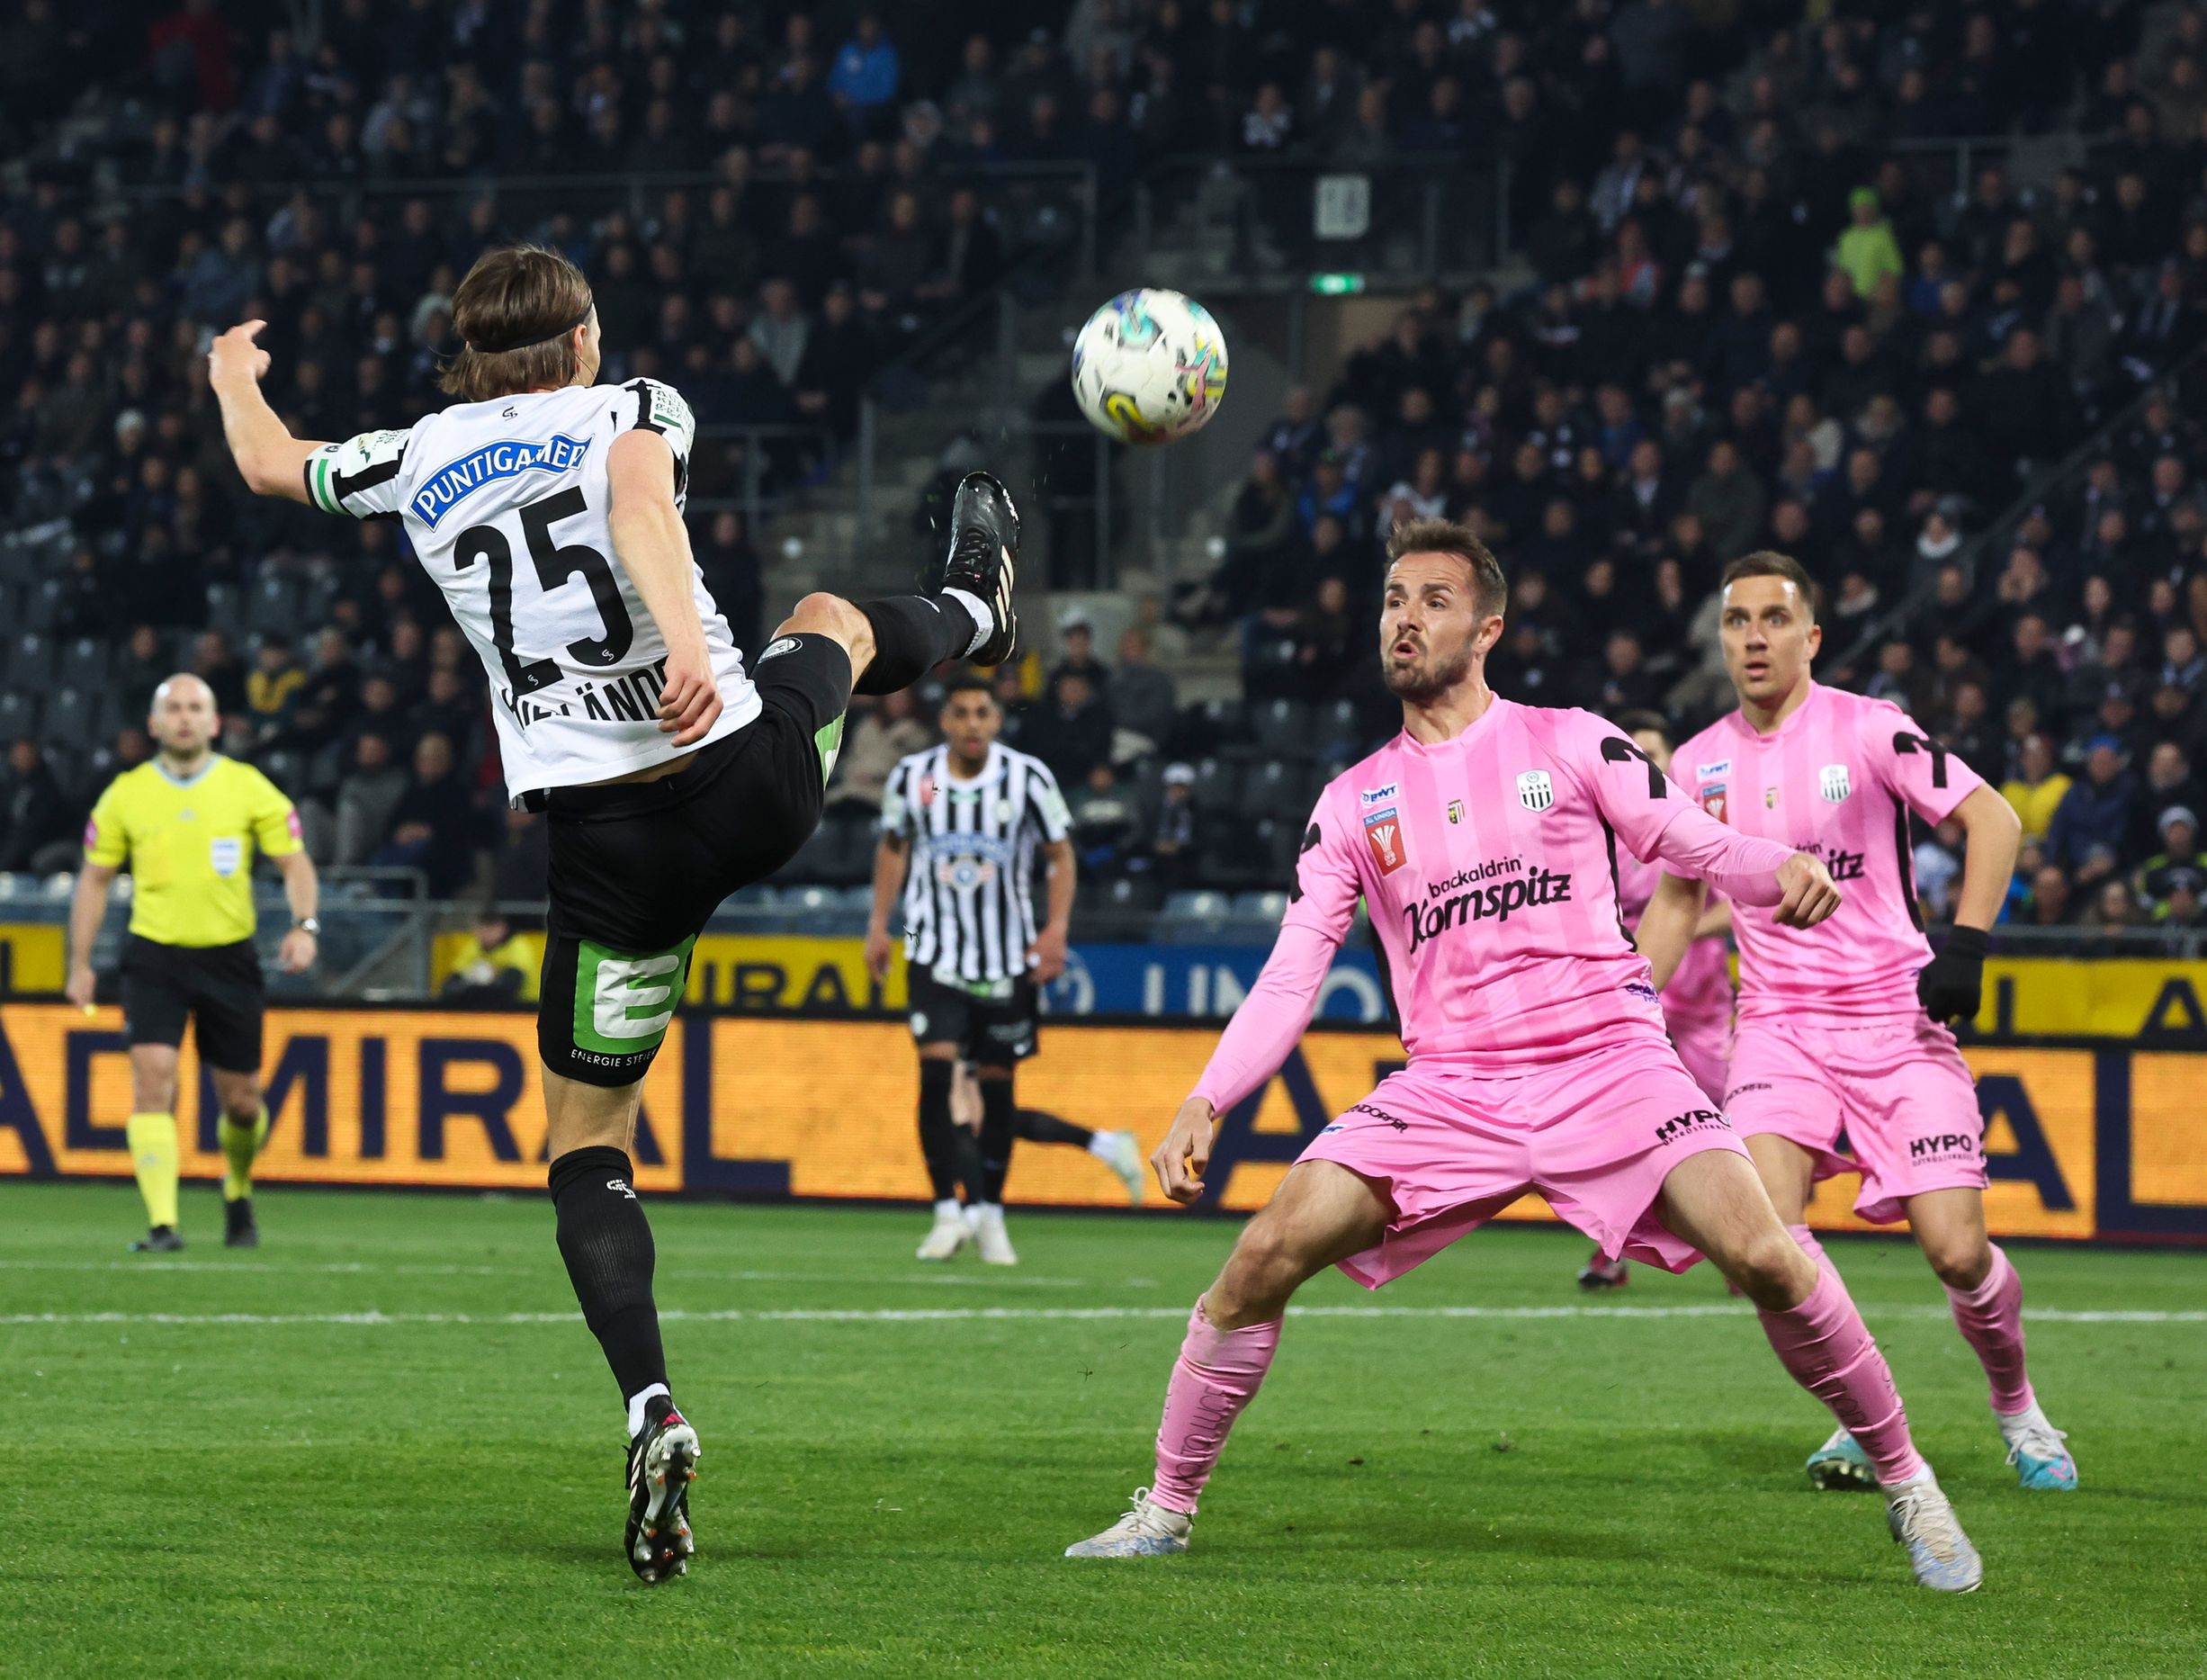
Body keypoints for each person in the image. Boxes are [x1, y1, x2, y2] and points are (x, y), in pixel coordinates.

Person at [208, 243, 1021, 1586]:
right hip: (742, 780)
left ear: (470, 354)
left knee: (586, 1146)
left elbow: (270, 464)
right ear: (582, 335)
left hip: (606, 858)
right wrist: (694, 651)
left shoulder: (409, 456)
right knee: (830, 620)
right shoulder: (628, 403)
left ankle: (651, 1399)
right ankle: (980, 609)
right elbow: (641, 500)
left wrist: (232, 373)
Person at [1065, 520, 1984, 1593]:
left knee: (1771, 1255)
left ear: (1485, 626)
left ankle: (1909, 1483)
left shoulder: (1568, 740)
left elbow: (1689, 843)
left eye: (1432, 600)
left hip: (1609, 1062)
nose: (1404, 618)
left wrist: (1774, 862)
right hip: (1451, 1085)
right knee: (1259, 1258)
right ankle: (1165, 1509)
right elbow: (1288, 973)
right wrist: (1206, 1099)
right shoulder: (1353, 800)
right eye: (1393, 598)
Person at [1646, 551, 2074, 1499]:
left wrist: (1964, 945)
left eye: (1771, 618)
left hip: (1894, 1018)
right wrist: (1627, 1003)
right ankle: (1857, 1416)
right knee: (1763, 1244)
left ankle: (2015, 1406)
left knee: (1957, 1250)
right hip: (1776, 1028)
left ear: (1811, 636)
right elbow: (1678, 900)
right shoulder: (1696, 763)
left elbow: (1994, 820)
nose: (1751, 637)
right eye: (1734, 621)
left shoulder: (1869, 728)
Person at [63, 676, 319, 1253]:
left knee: (243, 1101)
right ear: (154, 725)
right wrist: (79, 963)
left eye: (195, 708)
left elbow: (295, 863)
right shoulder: (125, 794)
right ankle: (162, 1224)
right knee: (153, 1079)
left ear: (214, 723)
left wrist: (304, 927)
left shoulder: (247, 786)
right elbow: (94, 879)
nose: (184, 718)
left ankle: (237, 1185)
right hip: (153, 955)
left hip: (230, 956)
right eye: (173, 709)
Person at [863, 674, 1094, 1264]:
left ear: (996, 719)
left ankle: (990, 1211)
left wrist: (1056, 928)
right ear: (945, 721)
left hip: (1005, 955)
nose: (971, 723)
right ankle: (945, 1208)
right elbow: (892, 846)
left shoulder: (1026, 779)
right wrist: (878, 924)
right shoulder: (915, 778)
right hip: (930, 947)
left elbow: (1060, 854)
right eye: (961, 712)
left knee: (996, 1088)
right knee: (936, 1074)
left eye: (982, 713)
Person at [1576, 708, 1736, 1292]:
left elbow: (1734, 905)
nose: (1642, 764)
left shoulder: (1697, 824)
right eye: (1632, 754)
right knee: (1626, 1135)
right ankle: (1608, 1254)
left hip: (1703, 1009)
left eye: (1652, 754)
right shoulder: (1602, 837)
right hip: (1642, 1013)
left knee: (1727, 1133)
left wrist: (1680, 924)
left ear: (1672, 761)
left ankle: (1743, 1251)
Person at [948, 1060, 1143, 1205]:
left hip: (968, 1021)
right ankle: (1106, 1144)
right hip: (968, 1022)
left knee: (972, 1115)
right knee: (977, 1116)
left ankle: (971, 1211)